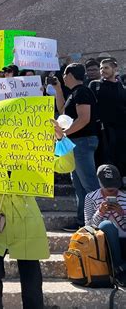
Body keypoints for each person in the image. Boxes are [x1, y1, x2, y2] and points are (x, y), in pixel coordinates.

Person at [0, 121, 69, 309]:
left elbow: (65, 165)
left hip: (26, 220)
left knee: (31, 279)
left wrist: (61, 138)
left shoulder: (33, 154)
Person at [53, 63, 100, 231]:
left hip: (82, 141)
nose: (63, 77)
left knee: (89, 183)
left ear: (71, 74)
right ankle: (83, 221)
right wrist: (58, 89)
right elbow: (62, 111)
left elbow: (84, 118)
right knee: (79, 185)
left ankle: (98, 222)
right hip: (76, 143)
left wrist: (64, 134)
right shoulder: (75, 93)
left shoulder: (82, 92)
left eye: (64, 74)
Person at [85, 164, 126, 286]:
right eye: (109, 190)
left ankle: (120, 268)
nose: (113, 193)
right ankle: (119, 269)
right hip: (103, 242)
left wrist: (121, 213)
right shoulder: (91, 198)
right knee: (107, 225)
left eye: (115, 189)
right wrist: (100, 212)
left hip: (123, 240)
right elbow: (88, 227)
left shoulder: (124, 197)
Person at [89, 59, 126, 177]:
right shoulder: (95, 85)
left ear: (114, 69)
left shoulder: (121, 87)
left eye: (106, 68)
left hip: (120, 130)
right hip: (102, 131)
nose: (102, 70)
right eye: (101, 68)